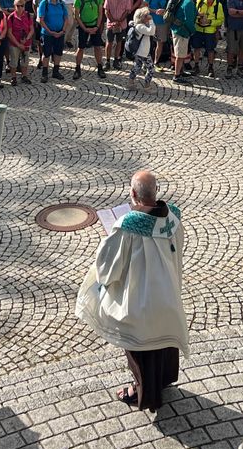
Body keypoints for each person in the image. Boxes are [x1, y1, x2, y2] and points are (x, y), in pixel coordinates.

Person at [75, 169, 187, 411]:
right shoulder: (174, 216)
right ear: (155, 192)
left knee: (141, 352)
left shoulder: (127, 226)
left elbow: (107, 268)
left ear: (134, 194)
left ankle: (144, 394)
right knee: (165, 343)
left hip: (141, 303)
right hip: (168, 297)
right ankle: (165, 380)